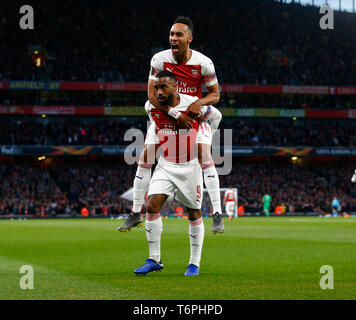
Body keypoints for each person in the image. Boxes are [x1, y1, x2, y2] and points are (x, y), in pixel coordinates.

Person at [118, 16, 224, 234]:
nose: (173, 39)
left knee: (205, 156)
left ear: (189, 38)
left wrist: (199, 102)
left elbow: (215, 95)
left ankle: (217, 214)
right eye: (171, 34)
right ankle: (135, 212)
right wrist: (175, 114)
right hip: (168, 115)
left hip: (193, 117)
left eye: (179, 35)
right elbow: (151, 95)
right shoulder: (159, 59)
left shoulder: (204, 63)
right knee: (145, 158)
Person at [134, 71, 208, 276]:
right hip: (166, 164)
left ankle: (194, 263)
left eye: (163, 87)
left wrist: (205, 136)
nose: (158, 91)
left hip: (190, 166)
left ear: (176, 87)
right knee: (151, 205)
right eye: (156, 87)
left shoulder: (193, 103)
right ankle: (154, 259)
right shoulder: (151, 106)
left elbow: (215, 115)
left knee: (193, 212)